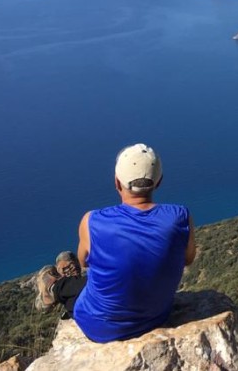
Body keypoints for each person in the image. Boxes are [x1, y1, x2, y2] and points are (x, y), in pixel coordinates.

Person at [33, 143, 196, 343]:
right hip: (155, 317)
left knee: (86, 284)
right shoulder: (180, 217)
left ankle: (54, 289)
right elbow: (188, 259)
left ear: (117, 183)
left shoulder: (92, 221)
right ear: (158, 181)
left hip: (100, 327)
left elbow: (84, 262)